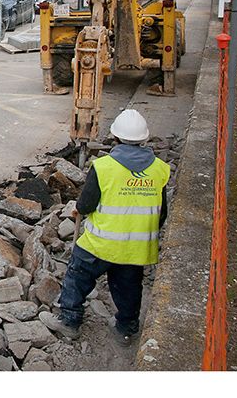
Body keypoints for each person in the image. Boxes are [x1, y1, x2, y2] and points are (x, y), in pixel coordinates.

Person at [40, 109, 171, 346]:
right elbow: (162, 213)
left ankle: (69, 321)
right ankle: (126, 328)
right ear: (144, 139)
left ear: (116, 138)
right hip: (136, 248)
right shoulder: (160, 169)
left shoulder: (104, 167)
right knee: (129, 287)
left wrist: (79, 208)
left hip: (100, 244)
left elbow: (87, 204)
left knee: (78, 276)